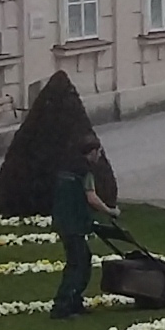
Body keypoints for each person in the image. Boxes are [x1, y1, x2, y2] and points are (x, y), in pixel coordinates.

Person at [51, 133, 121, 316]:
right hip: (74, 223)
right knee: (78, 263)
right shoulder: (85, 171)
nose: (100, 156)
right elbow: (91, 197)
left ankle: (75, 301)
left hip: (62, 220)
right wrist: (110, 211)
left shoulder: (66, 167)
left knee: (80, 259)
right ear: (92, 152)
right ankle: (63, 304)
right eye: (99, 152)